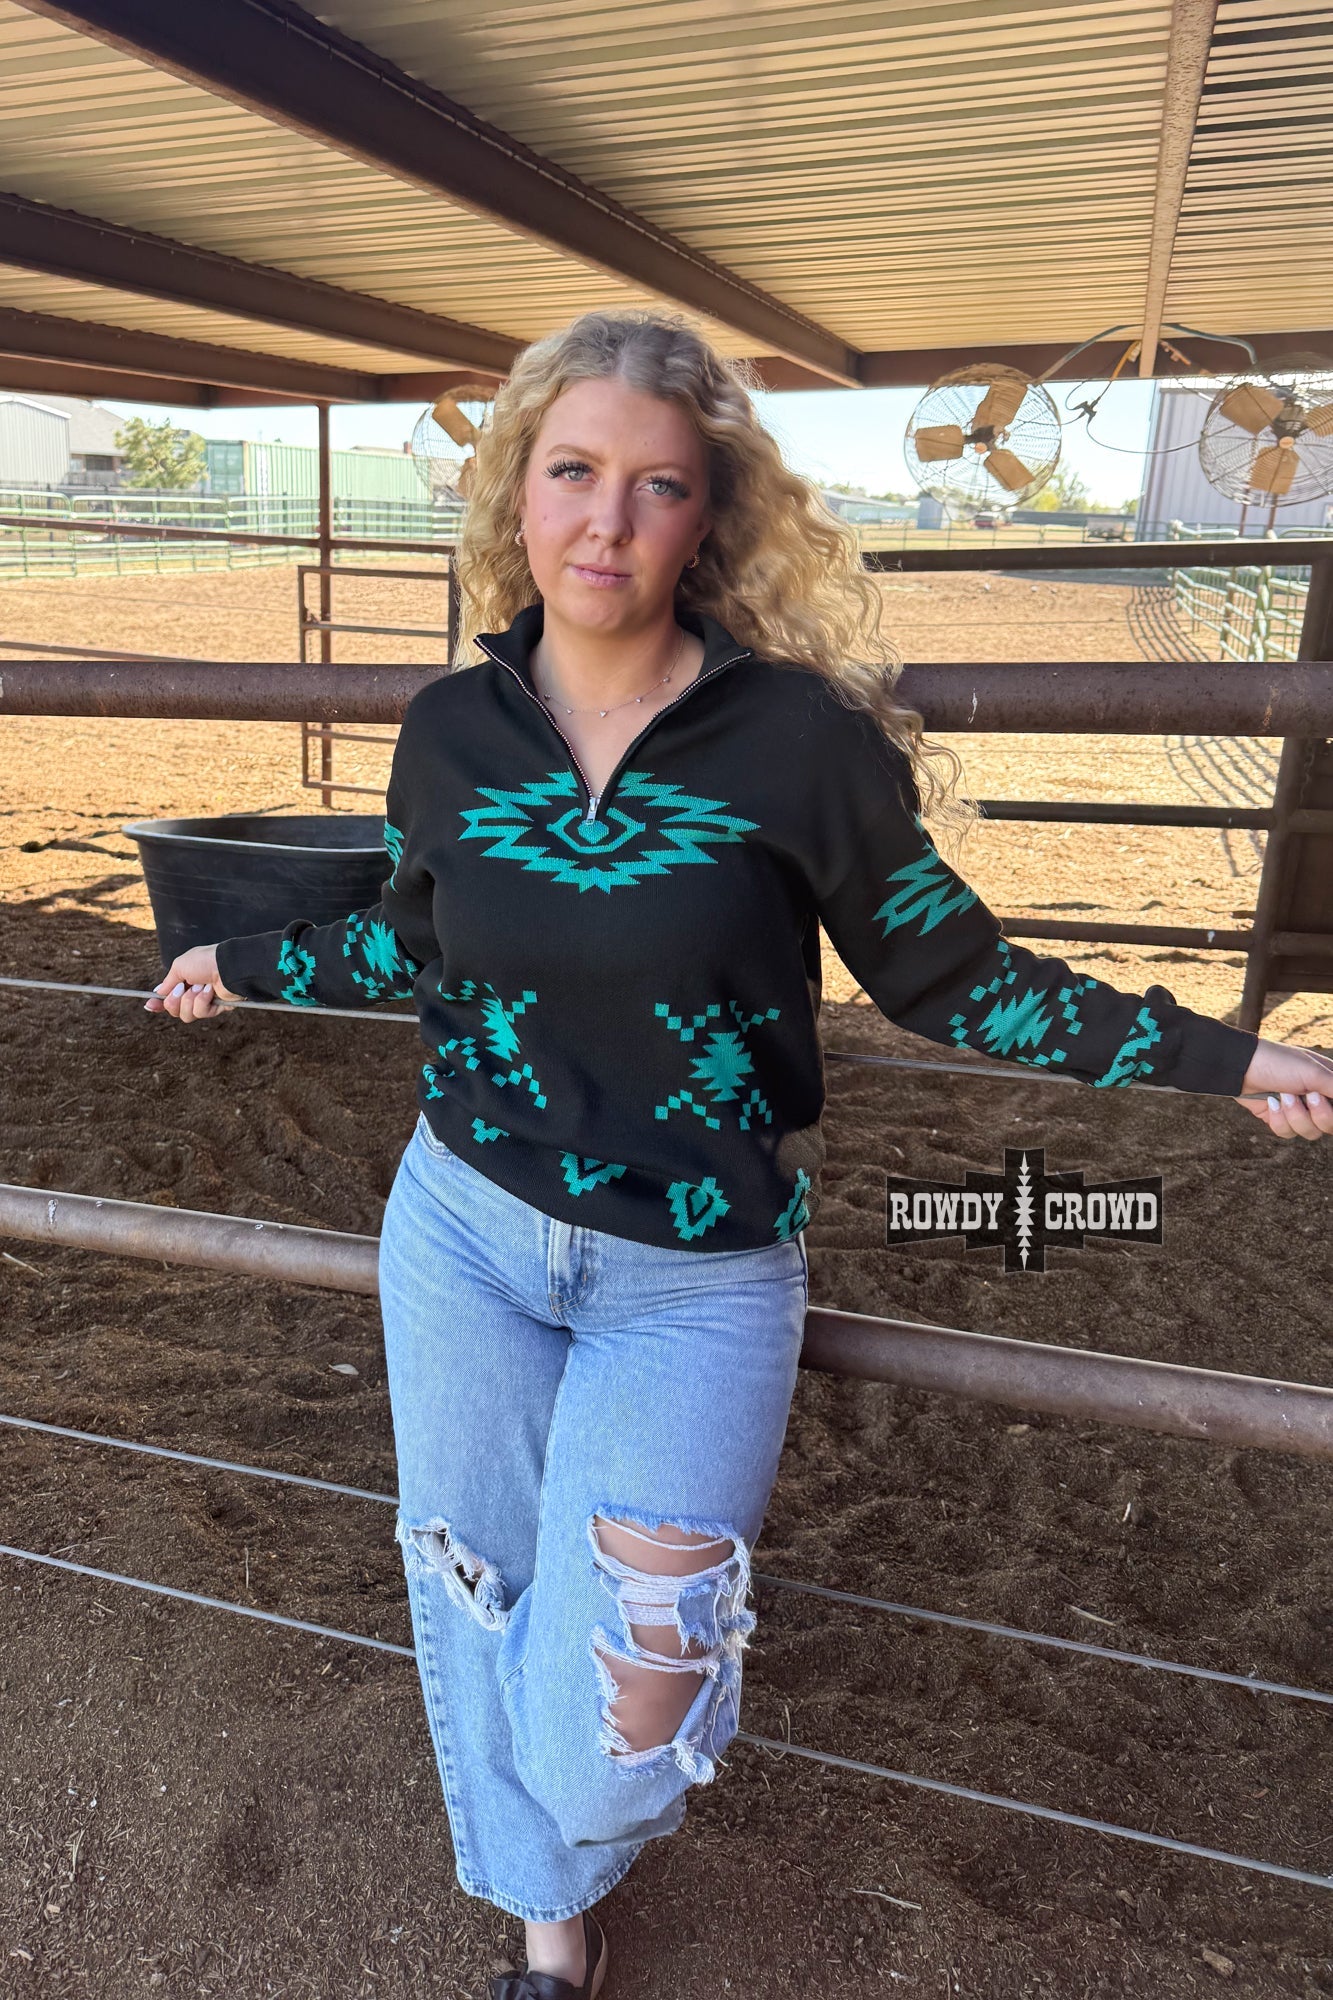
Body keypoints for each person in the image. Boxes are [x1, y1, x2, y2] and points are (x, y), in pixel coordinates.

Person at [145, 310, 1333, 1997]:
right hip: (464, 1227)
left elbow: (953, 977)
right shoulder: (450, 728)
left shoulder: (795, 744)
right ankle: (548, 1937)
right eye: (572, 471)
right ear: (517, 488)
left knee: (616, 1722)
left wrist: (1227, 1058)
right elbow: (414, 936)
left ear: (709, 518)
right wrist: (241, 961)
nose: (605, 520)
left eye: (657, 485)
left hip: (692, 1276)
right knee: (477, 1579)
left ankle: (562, 1833)